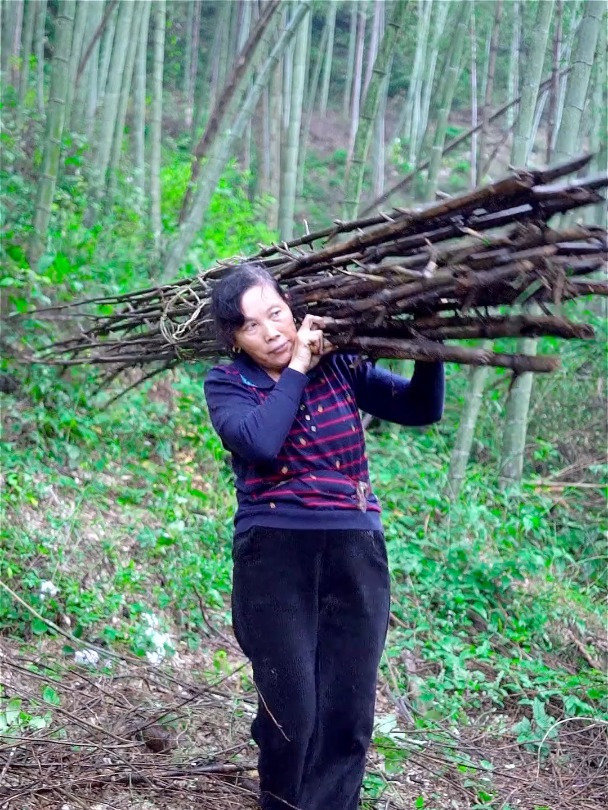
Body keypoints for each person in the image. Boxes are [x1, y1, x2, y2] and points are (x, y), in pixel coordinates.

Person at [204, 263, 444, 810]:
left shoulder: (341, 369)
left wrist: (430, 345)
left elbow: (420, 408)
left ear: (291, 308)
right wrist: (297, 367)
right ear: (234, 339)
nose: (270, 331)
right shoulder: (228, 384)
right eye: (250, 326)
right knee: (292, 708)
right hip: (273, 553)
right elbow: (260, 442)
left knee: (347, 708)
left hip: (355, 547)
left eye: (275, 313)